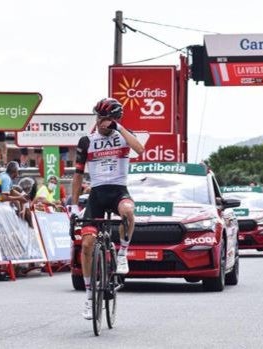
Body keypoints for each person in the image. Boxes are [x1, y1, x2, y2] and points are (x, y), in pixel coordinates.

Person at [71, 97, 144, 320]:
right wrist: (74, 206)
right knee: (87, 245)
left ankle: (122, 254)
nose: (101, 122)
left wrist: (118, 128)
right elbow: (78, 175)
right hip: (97, 195)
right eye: (99, 117)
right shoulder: (87, 141)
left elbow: (140, 149)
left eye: (106, 118)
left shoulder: (123, 136)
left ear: (114, 119)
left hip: (118, 191)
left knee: (129, 212)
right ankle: (90, 295)